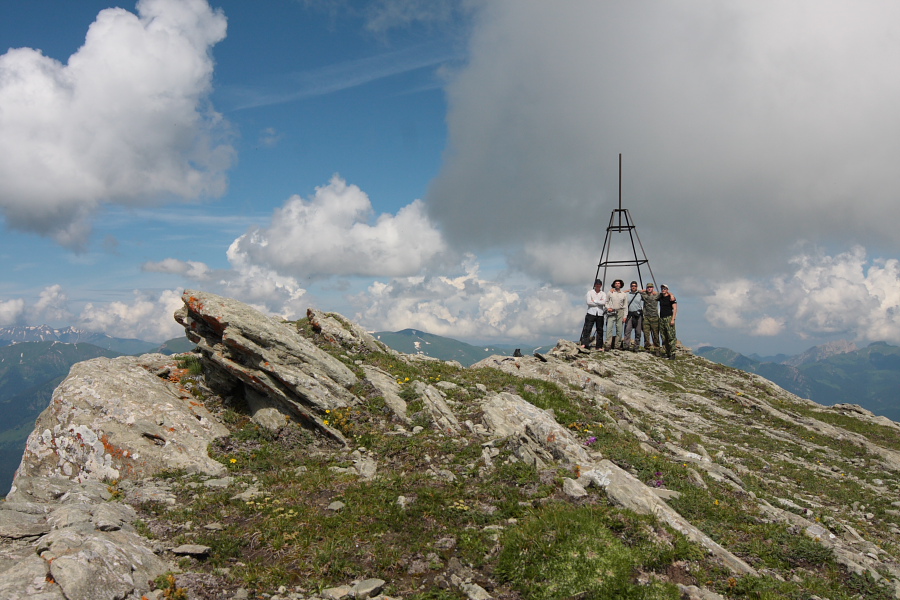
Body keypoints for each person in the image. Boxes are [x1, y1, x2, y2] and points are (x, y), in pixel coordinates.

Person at [579, 279, 606, 350]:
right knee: (587, 328)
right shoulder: (590, 292)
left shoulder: (603, 293)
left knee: (600, 330)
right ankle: (585, 343)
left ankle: (599, 346)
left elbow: (604, 303)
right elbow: (589, 302)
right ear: (594, 285)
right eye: (597, 284)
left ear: (601, 285)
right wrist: (599, 302)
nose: (598, 285)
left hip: (600, 313)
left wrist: (595, 301)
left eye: (599, 284)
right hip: (591, 313)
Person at [639, 283, 661, 354]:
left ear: (653, 288)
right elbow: (637, 291)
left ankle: (657, 349)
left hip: (655, 317)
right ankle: (647, 348)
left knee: (656, 335)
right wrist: (644, 290)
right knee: (646, 334)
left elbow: (666, 293)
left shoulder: (657, 295)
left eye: (651, 287)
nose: (649, 288)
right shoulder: (644, 295)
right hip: (646, 317)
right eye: (648, 287)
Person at [657, 284, 678, 360]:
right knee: (663, 336)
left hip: (669, 317)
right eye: (662, 288)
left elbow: (675, 309)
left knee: (671, 336)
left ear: (667, 289)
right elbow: (652, 292)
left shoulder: (671, 298)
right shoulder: (660, 296)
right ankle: (667, 352)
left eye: (665, 288)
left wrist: (673, 319)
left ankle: (673, 353)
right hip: (661, 318)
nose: (663, 290)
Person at [605, 279, 627, 350]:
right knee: (609, 328)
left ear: (621, 285)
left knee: (619, 329)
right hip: (611, 312)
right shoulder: (610, 292)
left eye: (618, 283)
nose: (617, 284)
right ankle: (608, 345)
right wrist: (608, 308)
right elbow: (606, 302)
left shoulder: (624, 294)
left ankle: (617, 345)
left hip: (620, 311)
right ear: (614, 284)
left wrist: (625, 316)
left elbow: (625, 306)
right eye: (616, 283)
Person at [623, 281, 643, 351]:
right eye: (632, 286)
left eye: (634, 286)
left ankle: (636, 346)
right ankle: (626, 345)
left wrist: (640, 290)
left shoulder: (640, 294)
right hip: (630, 314)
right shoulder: (627, 294)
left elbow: (650, 292)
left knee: (638, 332)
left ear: (637, 287)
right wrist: (626, 290)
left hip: (638, 314)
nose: (633, 287)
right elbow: (620, 293)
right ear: (630, 286)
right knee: (627, 330)